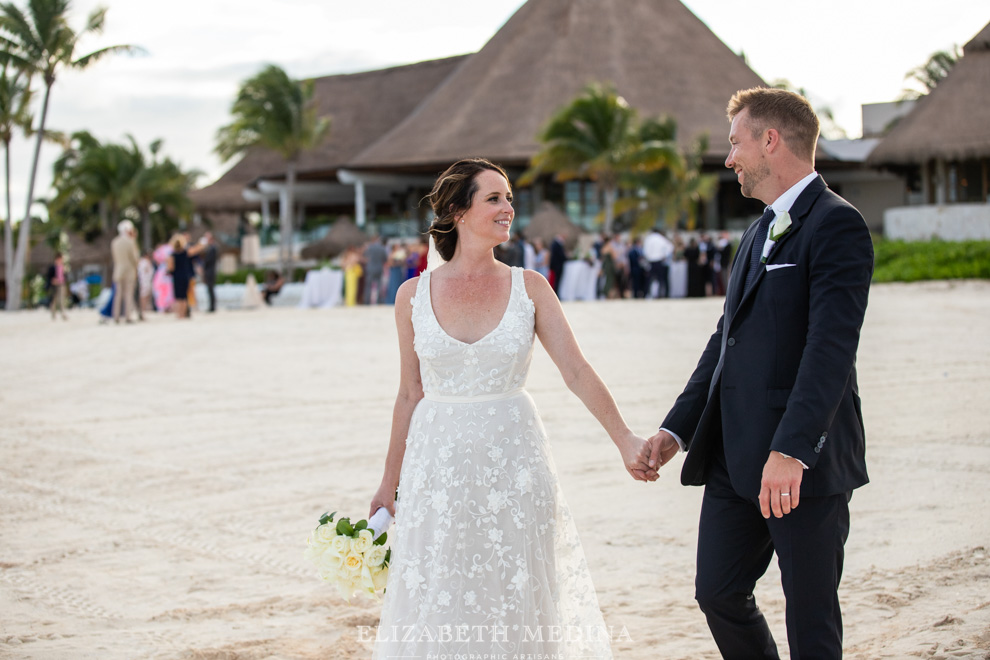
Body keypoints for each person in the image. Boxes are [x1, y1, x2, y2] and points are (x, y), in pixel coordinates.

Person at [369, 158, 656, 659]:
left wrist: (625, 438)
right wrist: (387, 484)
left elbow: (577, 371)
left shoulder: (531, 287)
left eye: (509, 199)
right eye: (494, 199)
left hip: (516, 464)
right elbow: (409, 394)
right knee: (442, 590)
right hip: (437, 469)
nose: (508, 209)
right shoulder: (411, 296)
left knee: (517, 590)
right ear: (458, 211)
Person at [648, 87, 874, 659]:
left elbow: (830, 350)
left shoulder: (837, 225)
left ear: (769, 140)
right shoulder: (756, 230)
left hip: (801, 465)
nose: (729, 159)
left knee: (811, 618)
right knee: (718, 592)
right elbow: (725, 339)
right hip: (732, 457)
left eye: (735, 143)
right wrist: (676, 429)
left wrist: (792, 452)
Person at [110, 220, 140, 324]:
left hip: (118, 271)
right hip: (129, 271)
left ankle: (116, 316)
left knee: (117, 295)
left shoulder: (114, 242)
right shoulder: (130, 242)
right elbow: (134, 258)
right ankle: (128, 316)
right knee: (128, 294)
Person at [643, 227, 673, 298]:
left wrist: (648, 257)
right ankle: (661, 295)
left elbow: (645, 251)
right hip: (659, 261)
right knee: (661, 279)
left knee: (649, 279)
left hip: (651, 261)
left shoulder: (648, 238)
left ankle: (648, 295)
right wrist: (664, 255)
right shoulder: (661, 238)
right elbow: (670, 247)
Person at [363, 236, 388, 305]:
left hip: (370, 268)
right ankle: (378, 301)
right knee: (379, 286)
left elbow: (364, 256)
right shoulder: (382, 248)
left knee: (368, 286)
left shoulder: (370, 248)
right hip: (379, 268)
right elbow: (385, 259)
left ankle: (367, 302)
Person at [46, 253, 69, 321]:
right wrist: (52, 280)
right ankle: (53, 314)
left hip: (61, 284)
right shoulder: (52, 267)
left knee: (61, 300)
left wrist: (63, 281)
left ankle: (63, 314)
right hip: (54, 285)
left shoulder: (63, 267)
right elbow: (49, 276)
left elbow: (65, 276)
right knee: (54, 300)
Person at [200, 232, 219, 313]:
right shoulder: (211, 248)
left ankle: (212, 307)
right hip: (209, 271)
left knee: (211, 289)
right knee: (209, 289)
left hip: (210, 271)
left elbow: (208, 261)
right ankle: (211, 306)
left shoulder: (213, 248)